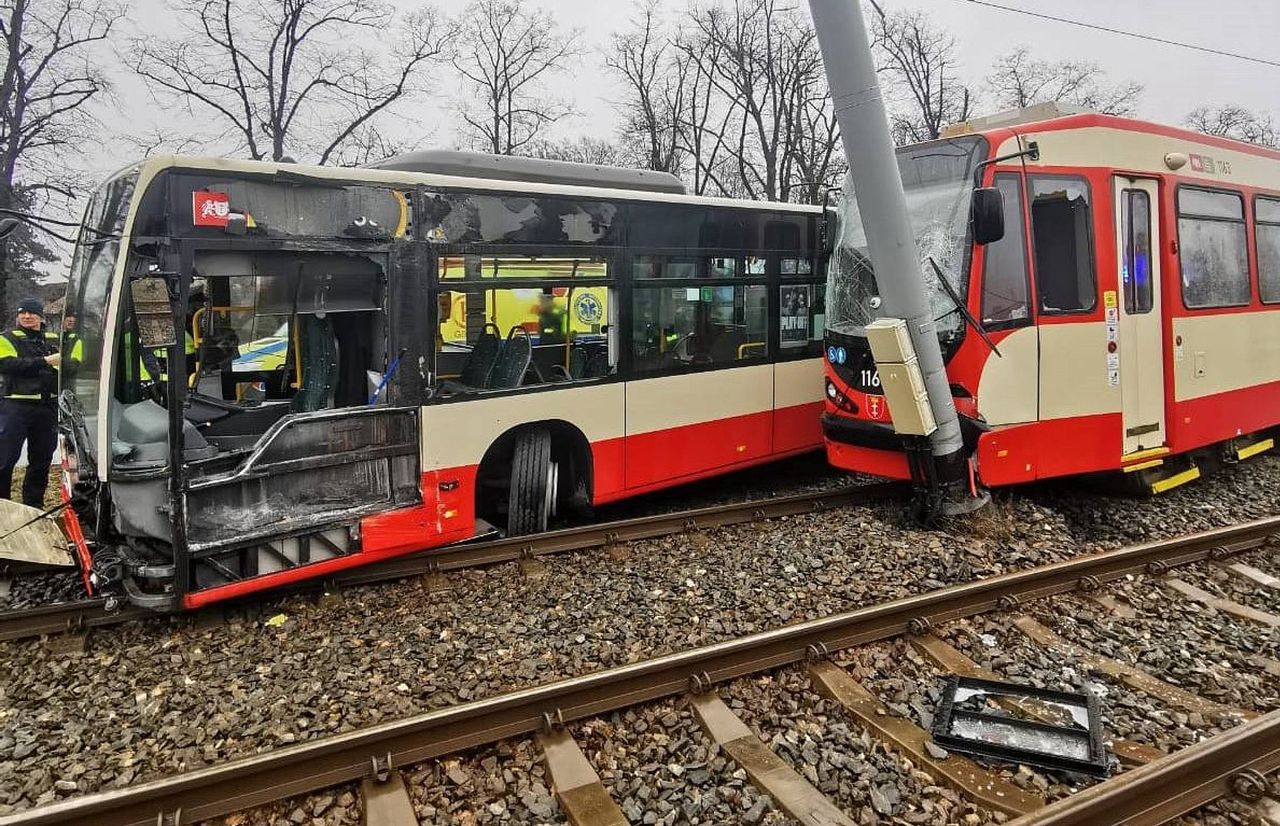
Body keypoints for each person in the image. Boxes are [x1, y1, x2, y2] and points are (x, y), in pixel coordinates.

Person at [0, 298, 61, 508]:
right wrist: (45, 362)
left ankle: (34, 508)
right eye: (22, 313)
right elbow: (7, 365)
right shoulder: (7, 338)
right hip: (16, 406)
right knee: (5, 459)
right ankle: (3, 508)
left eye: (32, 313)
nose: (27, 316)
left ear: (40, 316)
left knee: (42, 460)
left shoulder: (53, 338)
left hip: (47, 407)